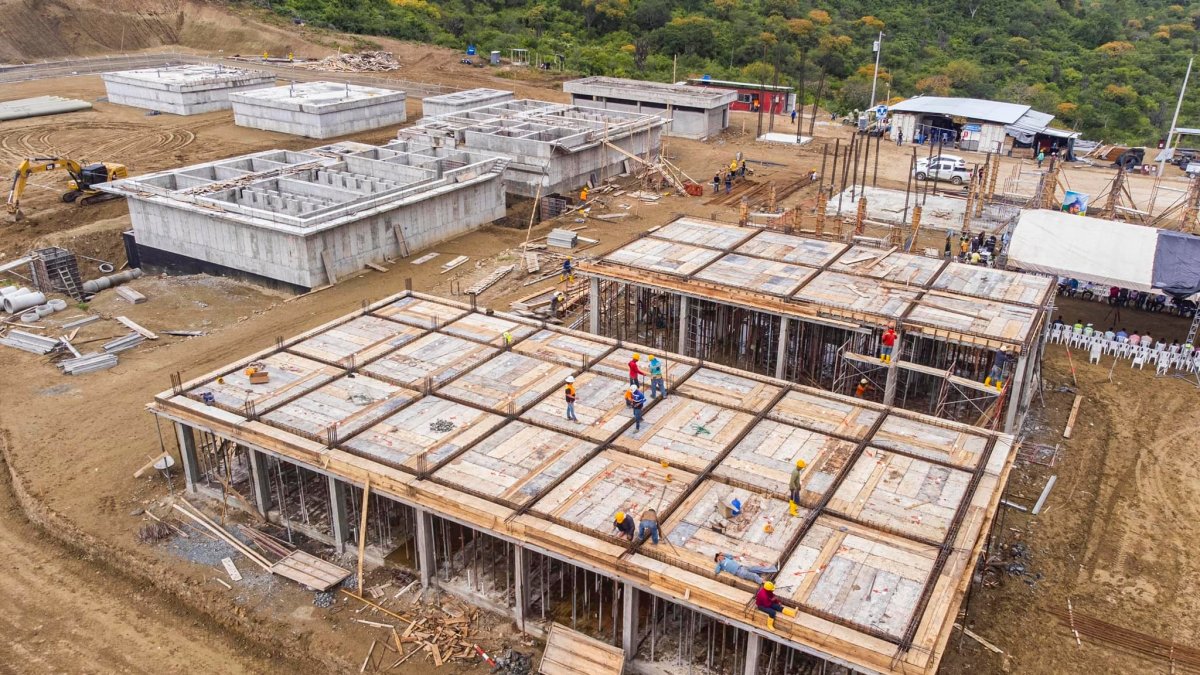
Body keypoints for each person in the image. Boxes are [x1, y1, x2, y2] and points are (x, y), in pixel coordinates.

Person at [714, 552, 779, 584]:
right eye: (719, 558)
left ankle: (774, 569)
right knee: (754, 575)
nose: (721, 557)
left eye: (720, 556)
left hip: (742, 566)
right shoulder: (721, 565)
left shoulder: (727, 558)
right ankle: (767, 583)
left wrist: (723, 554)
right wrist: (719, 562)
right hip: (739, 572)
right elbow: (716, 571)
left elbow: (731, 556)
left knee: (757, 568)